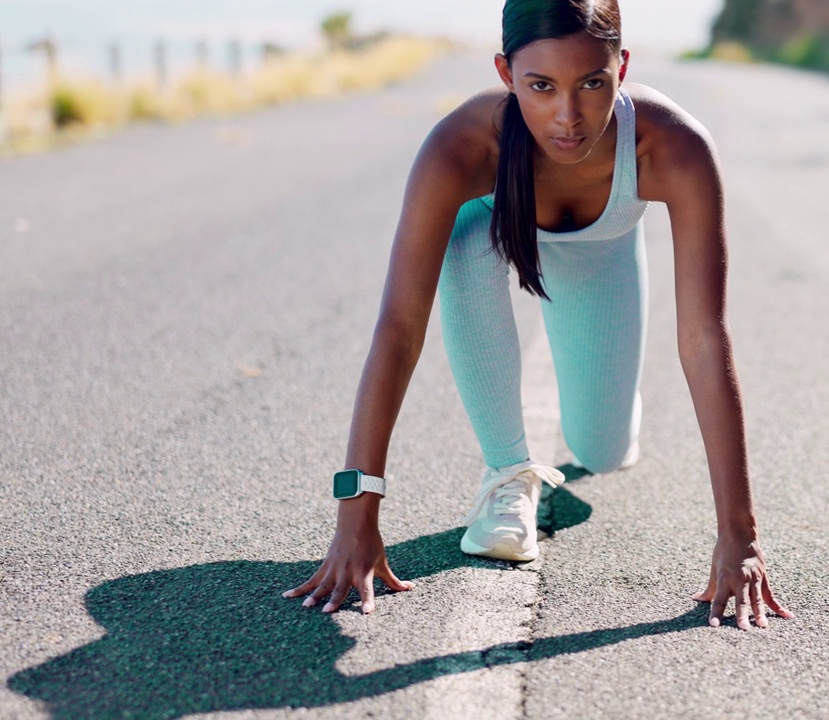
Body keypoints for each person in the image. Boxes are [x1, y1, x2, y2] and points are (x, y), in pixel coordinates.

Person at [284, 0, 791, 630]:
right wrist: (356, 517)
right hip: (489, 226)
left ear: (622, 67)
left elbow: (703, 337)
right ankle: (507, 473)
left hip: (603, 247)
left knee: (601, 450)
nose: (568, 116)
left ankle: (611, 406)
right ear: (505, 72)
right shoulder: (462, 147)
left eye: (592, 84)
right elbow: (398, 328)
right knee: (466, 236)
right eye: (541, 86)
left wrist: (739, 534)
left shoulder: (675, 146)